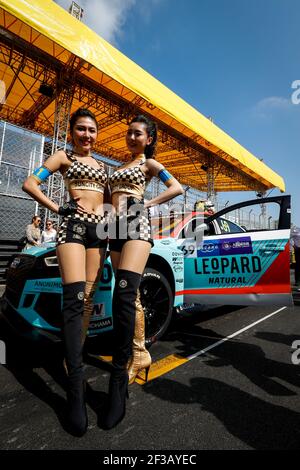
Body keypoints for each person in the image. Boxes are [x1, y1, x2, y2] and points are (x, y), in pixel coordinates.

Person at [22, 108, 108, 436]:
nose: (87, 134)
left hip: (99, 234)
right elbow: (30, 183)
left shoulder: (103, 166)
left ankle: (69, 363)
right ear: (72, 132)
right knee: (73, 302)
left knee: (86, 302)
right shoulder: (63, 156)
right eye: (81, 129)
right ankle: (75, 392)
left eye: (92, 130)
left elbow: (112, 202)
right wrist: (60, 208)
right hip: (72, 228)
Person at [103, 114, 183, 429]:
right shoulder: (117, 168)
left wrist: (148, 204)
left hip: (136, 221)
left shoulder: (148, 165)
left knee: (124, 295)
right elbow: (109, 200)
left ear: (148, 139)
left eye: (138, 134)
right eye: (129, 133)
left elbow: (175, 187)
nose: (132, 137)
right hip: (114, 225)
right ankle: (140, 354)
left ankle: (119, 376)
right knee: (127, 296)